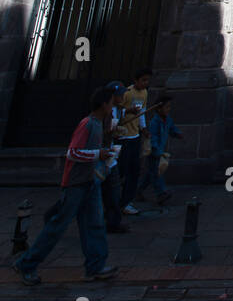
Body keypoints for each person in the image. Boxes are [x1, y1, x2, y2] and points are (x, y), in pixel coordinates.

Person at [12, 87, 118, 284]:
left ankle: (95, 266)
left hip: (90, 182)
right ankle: (26, 264)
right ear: (104, 104)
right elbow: (72, 153)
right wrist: (97, 155)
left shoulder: (98, 125)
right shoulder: (86, 124)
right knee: (58, 226)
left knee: (94, 225)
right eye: (111, 103)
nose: (113, 107)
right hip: (75, 184)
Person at [114, 71, 151, 216]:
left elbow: (142, 112)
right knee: (121, 170)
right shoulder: (127, 94)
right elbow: (115, 112)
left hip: (135, 135)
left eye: (147, 80)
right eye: (143, 80)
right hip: (123, 137)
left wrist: (143, 128)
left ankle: (127, 201)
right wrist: (127, 111)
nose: (145, 83)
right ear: (135, 80)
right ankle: (115, 200)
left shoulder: (144, 94)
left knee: (134, 170)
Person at [143, 95, 183, 201]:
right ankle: (161, 193)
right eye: (166, 107)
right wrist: (156, 149)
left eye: (169, 107)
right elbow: (153, 137)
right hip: (154, 151)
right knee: (157, 172)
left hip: (160, 149)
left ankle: (140, 190)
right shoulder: (154, 122)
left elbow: (172, 129)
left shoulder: (168, 120)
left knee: (151, 173)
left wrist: (177, 134)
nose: (168, 109)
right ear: (159, 109)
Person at [102, 81, 128, 234]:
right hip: (102, 157)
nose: (123, 97)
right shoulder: (104, 113)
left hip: (110, 156)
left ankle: (113, 221)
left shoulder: (117, 111)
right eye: (121, 95)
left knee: (113, 190)